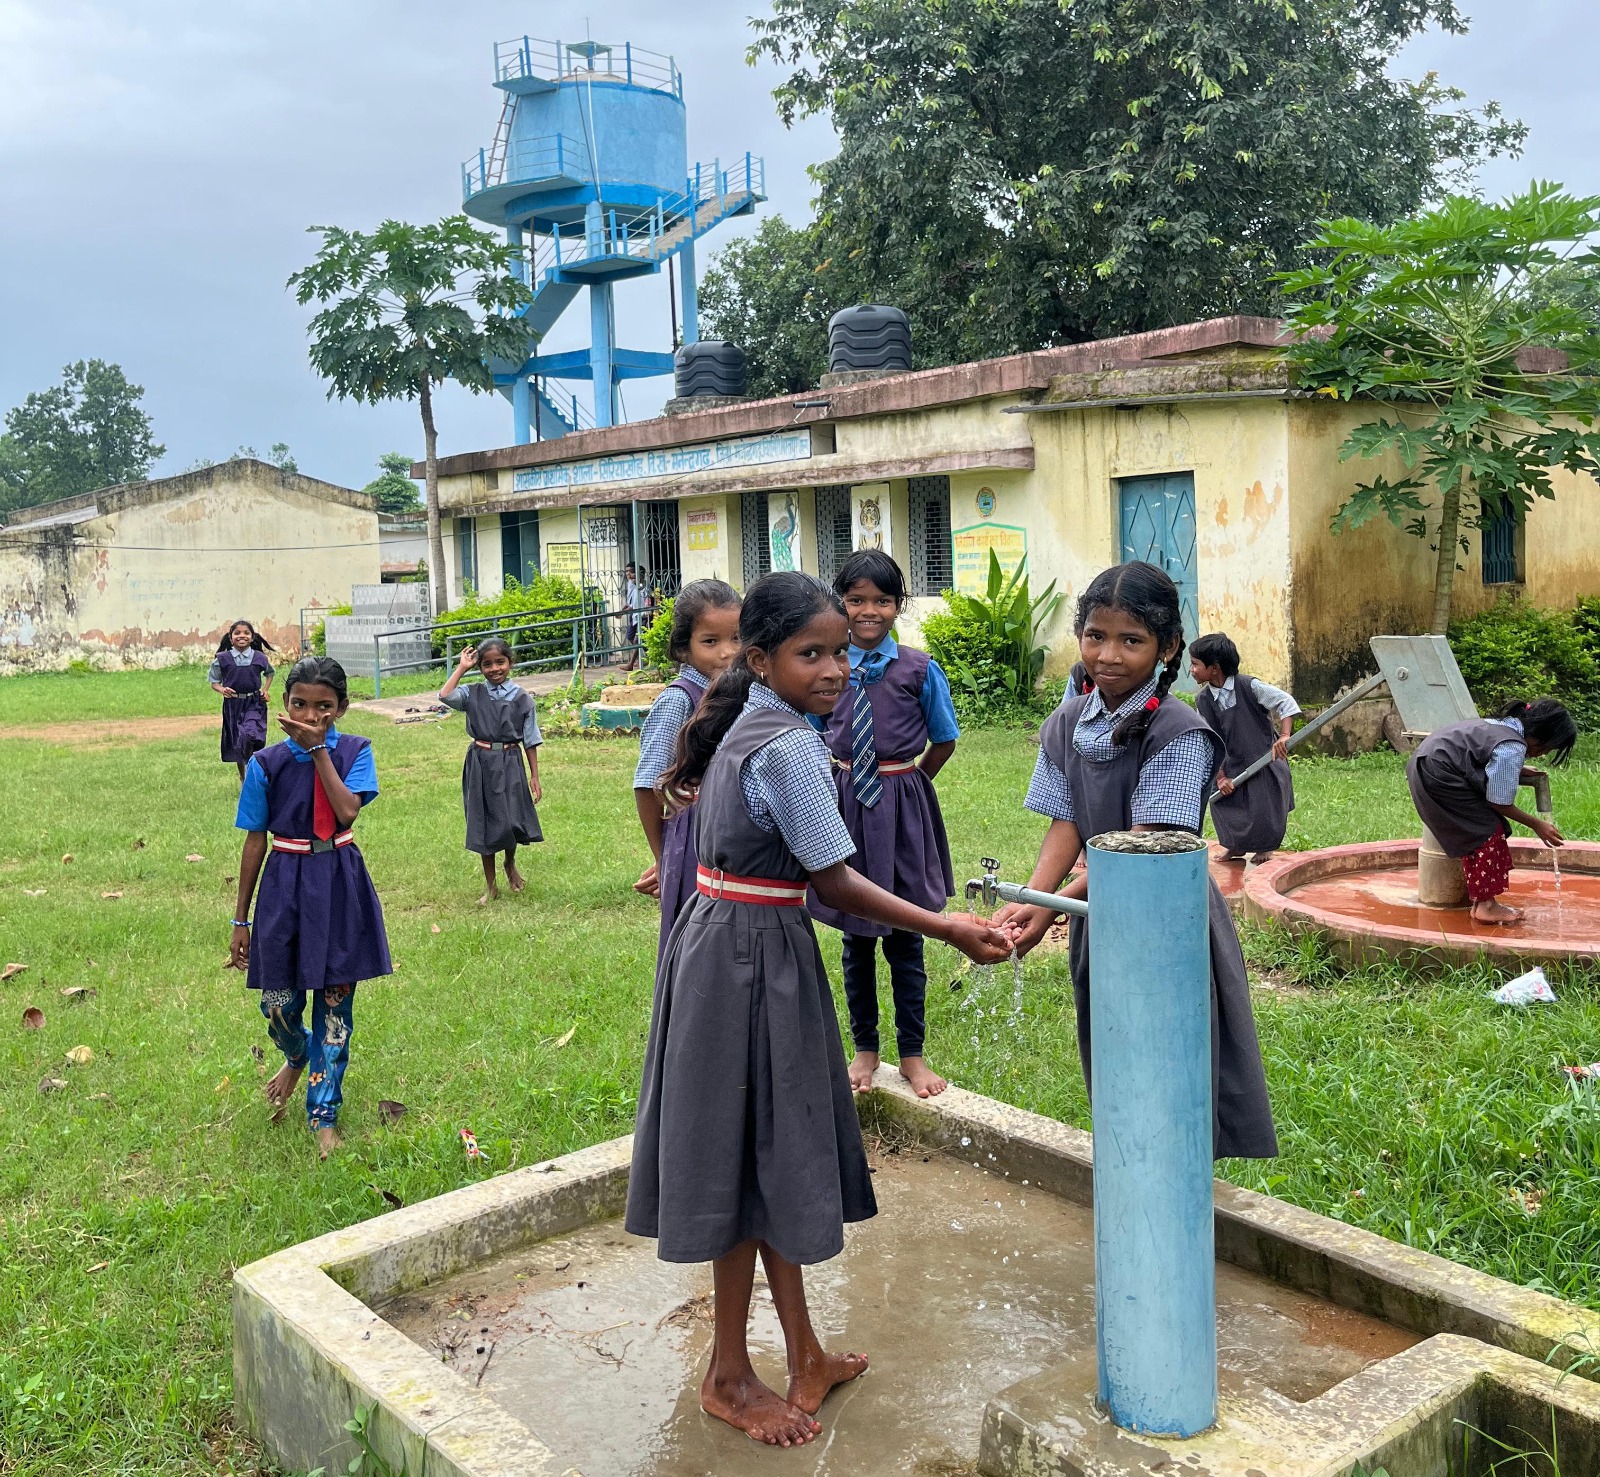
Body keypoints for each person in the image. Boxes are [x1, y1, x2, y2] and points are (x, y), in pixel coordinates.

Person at [625, 572, 1011, 1447]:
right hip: (750, 960)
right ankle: (727, 1371)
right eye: (814, 653)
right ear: (762, 660)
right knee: (744, 1163)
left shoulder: (750, 721)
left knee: (766, 1151)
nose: (837, 667)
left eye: (841, 650)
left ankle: (804, 1350)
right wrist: (945, 925)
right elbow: (834, 877)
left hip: (732, 945)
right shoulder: (789, 747)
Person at [993, 561, 1278, 1160]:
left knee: (1171, 1063)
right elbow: (1065, 825)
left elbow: (1142, 845)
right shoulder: (1067, 722)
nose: (1109, 656)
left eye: (1132, 640)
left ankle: (1175, 1186)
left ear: (1168, 647)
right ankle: (1129, 1175)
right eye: (1096, 636)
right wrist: (1031, 902)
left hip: (1164, 918)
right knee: (1116, 1055)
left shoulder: (1180, 731)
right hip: (1100, 915)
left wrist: (1051, 906)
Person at [809, 550, 961, 1099]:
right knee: (856, 937)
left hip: (900, 809)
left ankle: (914, 1055)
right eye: (856, 600)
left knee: (906, 936)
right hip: (842, 804)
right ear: (840, 604)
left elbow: (944, 737)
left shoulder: (919, 669)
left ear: (899, 605)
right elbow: (808, 728)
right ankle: (866, 1050)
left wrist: (912, 781)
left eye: (881, 600)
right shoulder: (827, 666)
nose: (868, 611)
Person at [228, 657, 390, 1159]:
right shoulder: (265, 763)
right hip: (285, 885)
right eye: (300, 703)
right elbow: (255, 839)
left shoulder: (356, 752)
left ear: (341, 707)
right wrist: (241, 918)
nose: (311, 714)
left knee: (335, 1009)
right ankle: (296, 1053)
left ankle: (324, 1114)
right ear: (284, 703)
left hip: (339, 883)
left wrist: (319, 751)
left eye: (324, 706)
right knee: (277, 1003)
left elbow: (346, 810)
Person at [632, 579, 742, 954]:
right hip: (693, 839)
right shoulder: (680, 701)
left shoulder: (741, 696)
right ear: (683, 648)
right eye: (710, 642)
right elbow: (648, 784)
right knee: (697, 942)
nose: (727, 653)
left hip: (731, 837)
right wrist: (664, 859)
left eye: (737, 638)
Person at [1407, 698, 1574, 923]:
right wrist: (1537, 824)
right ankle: (1487, 906)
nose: (1542, 754)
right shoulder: (1512, 746)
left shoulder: (1500, 726)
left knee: (1478, 833)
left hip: (1425, 765)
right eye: (1545, 748)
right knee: (1486, 832)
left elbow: (1478, 754)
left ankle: (1481, 903)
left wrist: (1518, 768)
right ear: (1538, 735)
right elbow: (1499, 802)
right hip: (1441, 773)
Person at [438, 637, 544, 904]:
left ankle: (510, 863)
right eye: (487, 664)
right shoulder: (472, 693)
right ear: (480, 668)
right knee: (484, 821)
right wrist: (462, 667)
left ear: (510, 662)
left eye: (500, 662)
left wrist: (535, 776)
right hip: (480, 763)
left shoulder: (522, 699)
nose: (495, 668)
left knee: (509, 820)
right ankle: (491, 885)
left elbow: (530, 740)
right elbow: (445, 696)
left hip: (510, 762)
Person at [1190, 632, 1300, 864]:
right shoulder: (1203, 700)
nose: (1191, 670)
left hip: (1262, 759)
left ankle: (1264, 848)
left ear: (1214, 669)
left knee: (1264, 806)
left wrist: (1284, 736)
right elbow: (1208, 739)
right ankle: (1234, 846)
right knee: (1223, 802)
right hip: (1229, 764)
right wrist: (1220, 776)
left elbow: (1286, 702)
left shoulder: (1250, 686)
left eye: (1195, 664)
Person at [210, 619, 275, 782]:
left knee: (251, 736)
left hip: (254, 703)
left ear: (252, 637)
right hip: (233, 705)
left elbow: (269, 673)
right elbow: (214, 682)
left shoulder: (260, 657)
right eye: (237, 633)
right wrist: (222, 689)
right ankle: (243, 775)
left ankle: (254, 772)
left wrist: (265, 690)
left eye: (246, 633)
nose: (242, 636)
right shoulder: (222, 659)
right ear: (230, 638)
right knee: (239, 741)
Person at [623, 563, 642, 670]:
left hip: (641, 615)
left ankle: (634, 663)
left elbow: (637, 604)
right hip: (634, 615)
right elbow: (631, 601)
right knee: (631, 637)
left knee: (637, 640)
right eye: (626, 571)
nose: (628, 574)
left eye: (631, 571)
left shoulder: (641, 587)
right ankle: (644, 658)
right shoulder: (630, 584)